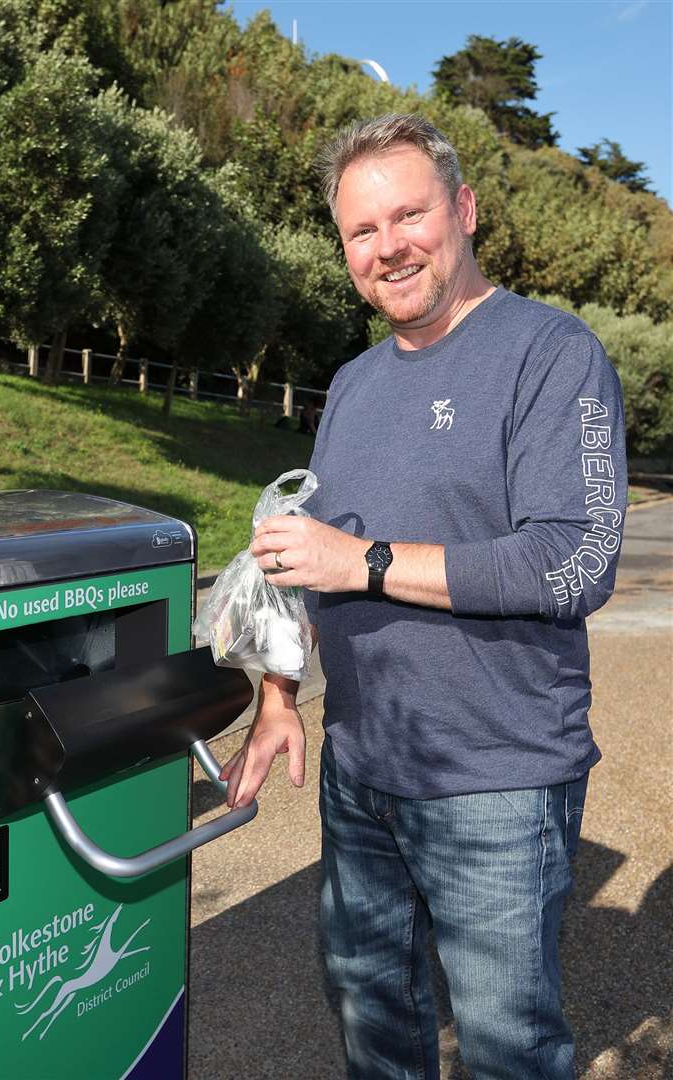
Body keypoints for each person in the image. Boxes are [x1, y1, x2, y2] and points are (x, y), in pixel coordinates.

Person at [219, 113, 626, 1078]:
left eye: (410, 215)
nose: (389, 246)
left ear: (466, 210)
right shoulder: (354, 384)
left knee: (505, 1043)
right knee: (370, 1013)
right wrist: (278, 696)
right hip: (364, 772)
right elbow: (307, 560)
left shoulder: (551, 354)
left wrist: (360, 560)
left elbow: (576, 564)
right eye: (363, 231)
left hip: (497, 778)